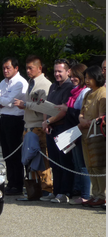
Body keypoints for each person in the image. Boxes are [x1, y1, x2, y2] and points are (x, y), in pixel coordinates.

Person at [13, 55, 54, 198]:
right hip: (28, 125)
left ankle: (47, 188)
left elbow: (44, 106)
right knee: (29, 159)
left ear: (40, 68)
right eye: (27, 68)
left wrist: (25, 105)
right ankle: (33, 189)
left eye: (31, 68)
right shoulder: (31, 82)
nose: (28, 71)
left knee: (42, 159)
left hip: (38, 126)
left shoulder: (45, 84)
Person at [0, 57, 29, 195]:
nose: (5, 70)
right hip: (4, 118)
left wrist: (0, 101)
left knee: (15, 153)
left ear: (16, 68)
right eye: (4, 68)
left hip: (16, 119)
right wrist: (1, 101)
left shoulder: (20, 83)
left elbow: (8, 102)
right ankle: (11, 182)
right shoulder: (3, 82)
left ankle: (18, 184)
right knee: (6, 153)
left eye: (8, 68)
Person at [56, 63, 91, 204]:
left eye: (76, 76)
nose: (73, 79)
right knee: (75, 163)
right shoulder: (75, 91)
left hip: (79, 130)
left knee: (82, 164)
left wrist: (67, 109)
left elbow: (81, 113)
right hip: (72, 131)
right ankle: (76, 191)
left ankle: (85, 194)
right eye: (72, 76)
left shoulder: (84, 92)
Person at [41, 59, 75, 203]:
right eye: (55, 71)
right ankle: (56, 191)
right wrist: (46, 122)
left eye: (60, 71)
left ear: (68, 72)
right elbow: (47, 106)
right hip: (51, 128)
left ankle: (65, 192)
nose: (57, 74)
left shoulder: (70, 87)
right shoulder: (53, 86)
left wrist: (48, 121)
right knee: (54, 161)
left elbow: (62, 110)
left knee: (64, 161)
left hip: (63, 128)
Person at [78, 65, 106, 207]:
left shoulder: (103, 93)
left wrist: (86, 123)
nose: (87, 81)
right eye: (86, 78)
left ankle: (102, 195)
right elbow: (81, 112)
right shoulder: (88, 93)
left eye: (90, 78)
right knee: (89, 166)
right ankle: (94, 194)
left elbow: (101, 117)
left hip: (97, 135)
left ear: (97, 77)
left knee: (98, 166)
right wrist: (82, 120)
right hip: (85, 134)